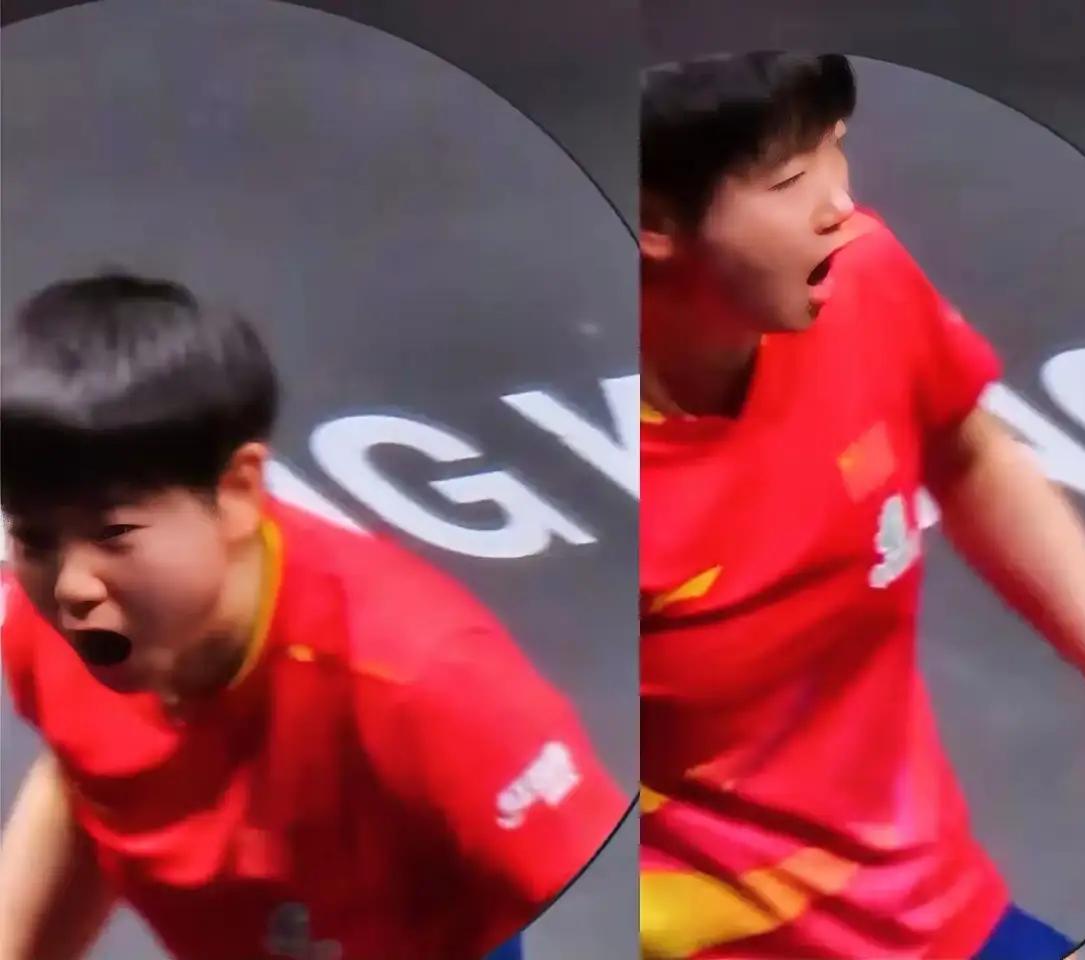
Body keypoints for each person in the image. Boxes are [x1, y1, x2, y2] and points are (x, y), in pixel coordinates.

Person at [638, 51, 1085, 959]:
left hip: (927, 909)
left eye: (835, 148)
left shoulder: (859, 278)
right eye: (788, 181)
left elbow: (964, 444)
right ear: (654, 222)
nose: (839, 201)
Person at [0, 274, 625, 960]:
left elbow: (609, 877)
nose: (72, 587)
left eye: (114, 533)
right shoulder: (55, 623)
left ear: (237, 492)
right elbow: (88, 773)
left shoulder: (424, 683)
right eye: (34, 539)